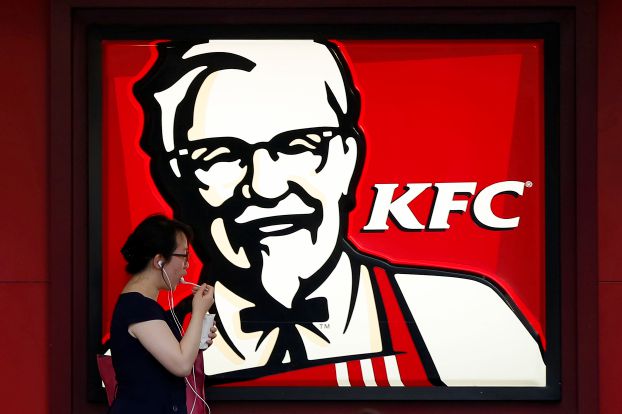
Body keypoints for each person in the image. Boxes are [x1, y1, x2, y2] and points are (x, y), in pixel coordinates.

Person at [133, 40, 546, 387]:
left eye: (299, 145)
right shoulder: (150, 343)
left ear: (347, 160)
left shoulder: (462, 316)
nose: (266, 186)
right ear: (179, 179)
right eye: (221, 155)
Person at [108, 214, 216, 413]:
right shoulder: (137, 307)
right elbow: (181, 363)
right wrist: (199, 311)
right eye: (184, 256)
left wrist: (197, 334)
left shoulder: (147, 306)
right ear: (159, 261)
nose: (187, 265)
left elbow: (176, 358)